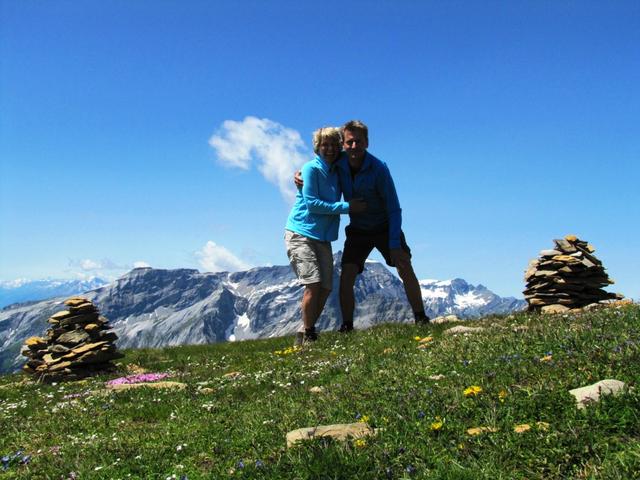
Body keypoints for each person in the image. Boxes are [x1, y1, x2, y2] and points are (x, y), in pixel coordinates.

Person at [295, 120, 430, 331]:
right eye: (349, 142)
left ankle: (421, 318)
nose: (354, 147)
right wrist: (299, 175)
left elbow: (394, 208)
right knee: (347, 274)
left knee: (404, 265)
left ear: (367, 143)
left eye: (358, 142)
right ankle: (347, 326)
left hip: (385, 226)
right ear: (343, 144)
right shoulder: (339, 161)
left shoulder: (379, 169)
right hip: (358, 229)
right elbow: (318, 163)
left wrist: (394, 243)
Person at [285, 127, 366, 345]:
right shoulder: (310, 169)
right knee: (313, 283)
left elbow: (353, 153)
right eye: (324, 145)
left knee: (326, 286)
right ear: (317, 147)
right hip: (301, 232)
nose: (329, 149)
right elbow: (312, 204)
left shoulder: (337, 166)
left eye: (333, 144)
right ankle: (310, 333)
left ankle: (303, 333)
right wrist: (348, 207)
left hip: (323, 236)